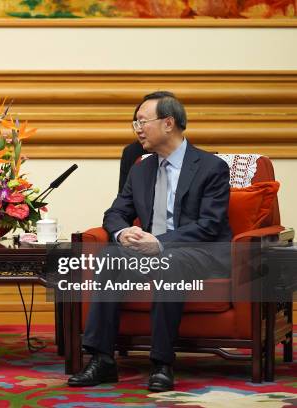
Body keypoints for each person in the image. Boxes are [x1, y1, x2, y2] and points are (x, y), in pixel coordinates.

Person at [67, 91, 232, 392]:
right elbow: (115, 212)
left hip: (196, 251)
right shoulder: (141, 167)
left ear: (168, 123)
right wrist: (121, 233)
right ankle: (102, 359)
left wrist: (160, 243)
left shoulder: (211, 167)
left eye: (142, 121)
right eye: (135, 123)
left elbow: (210, 225)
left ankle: (161, 363)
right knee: (109, 257)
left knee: (170, 261)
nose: (138, 129)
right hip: (146, 250)